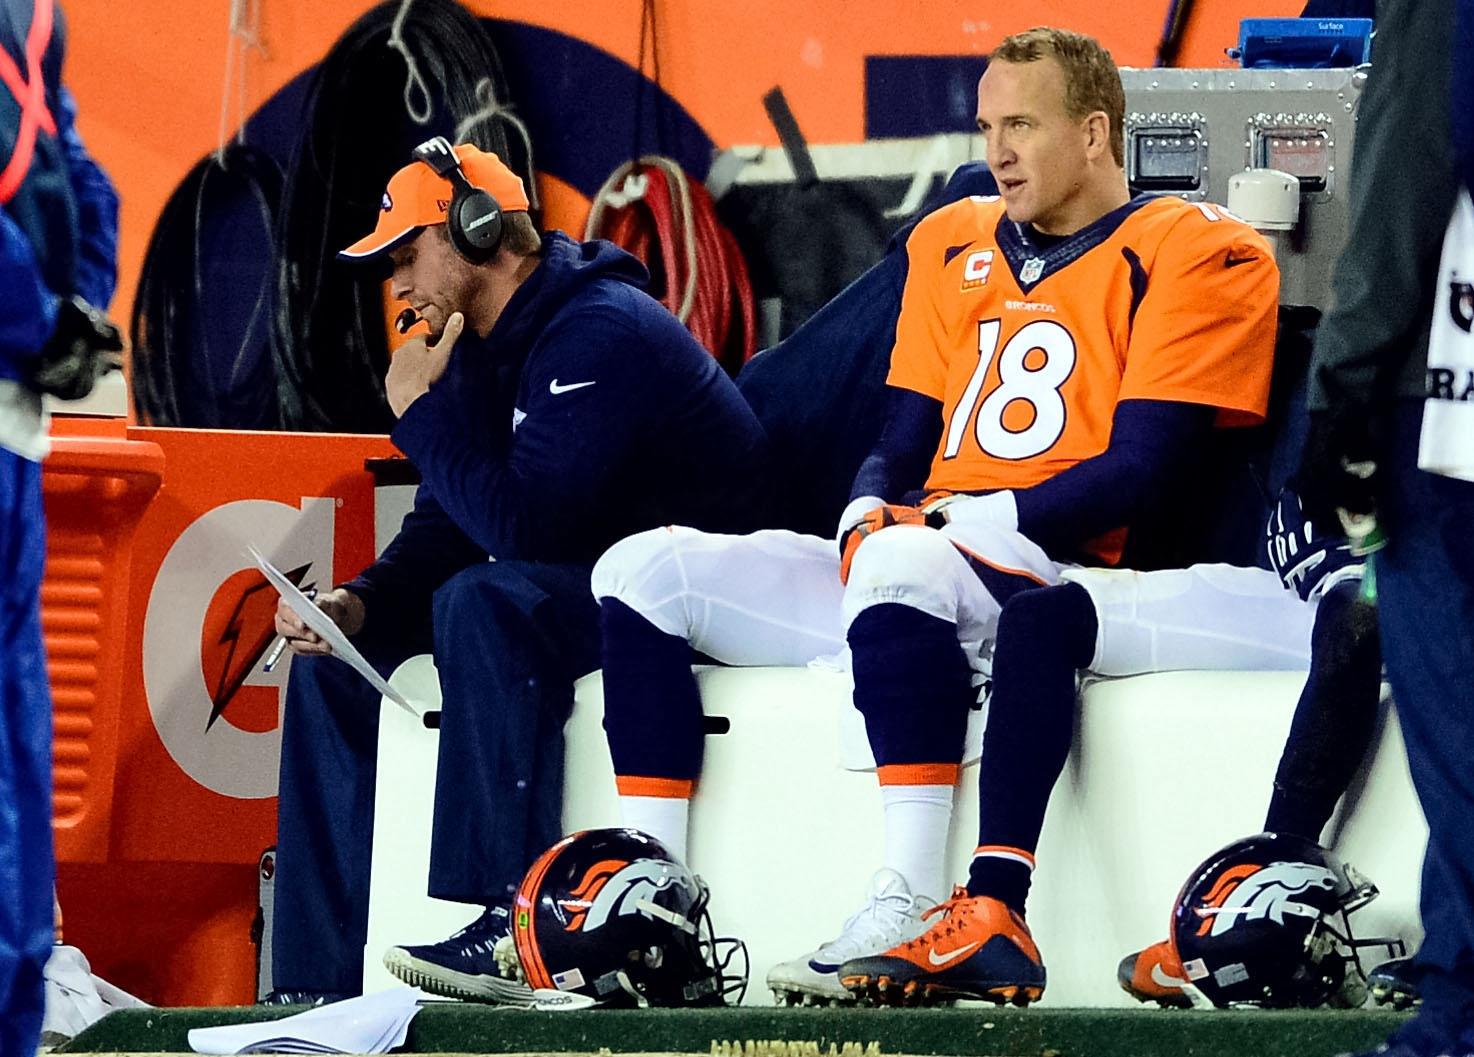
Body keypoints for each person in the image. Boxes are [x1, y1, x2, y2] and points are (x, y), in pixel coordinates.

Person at [591, 26, 1280, 1004]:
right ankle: (649, 908)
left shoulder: (1191, 246)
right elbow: (901, 429)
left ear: (1093, 134)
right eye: (988, 124)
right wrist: (869, 500)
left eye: (1022, 125)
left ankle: (907, 902)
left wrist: (970, 519)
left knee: (901, 566)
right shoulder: (950, 237)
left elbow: (1145, 469)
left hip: (1059, 563)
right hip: (931, 563)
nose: (997, 148)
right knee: (642, 573)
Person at [267, 137, 769, 1004]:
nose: (396, 283)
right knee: (333, 674)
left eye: (406, 253)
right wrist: (359, 605)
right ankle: (311, 984)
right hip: (603, 582)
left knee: (488, 601)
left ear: (476, 228)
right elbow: (451, 522)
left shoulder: (601, 330)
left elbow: (526, 527)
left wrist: (417, 413)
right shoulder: (478, 343)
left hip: (711, 591)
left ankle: (506, 920)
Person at [835, 486, 1383, 1007]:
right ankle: (994, 909)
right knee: (1038, 618)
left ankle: (1261, 912)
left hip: (1390, 591)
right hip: (1292, 585)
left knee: (1357, 616)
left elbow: (1363, 617)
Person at [1297, 0, 1474, 1051]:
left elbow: (1416, 150)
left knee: (1458, 718)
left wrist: (1344, 385)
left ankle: (1458, 1008)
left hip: (1448, 405)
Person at [1, 0, 121, 1050]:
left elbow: (74, 161)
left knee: (16, 750)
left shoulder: (37, 16)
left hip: (14, 428)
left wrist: (75, 310)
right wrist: (47, 321)